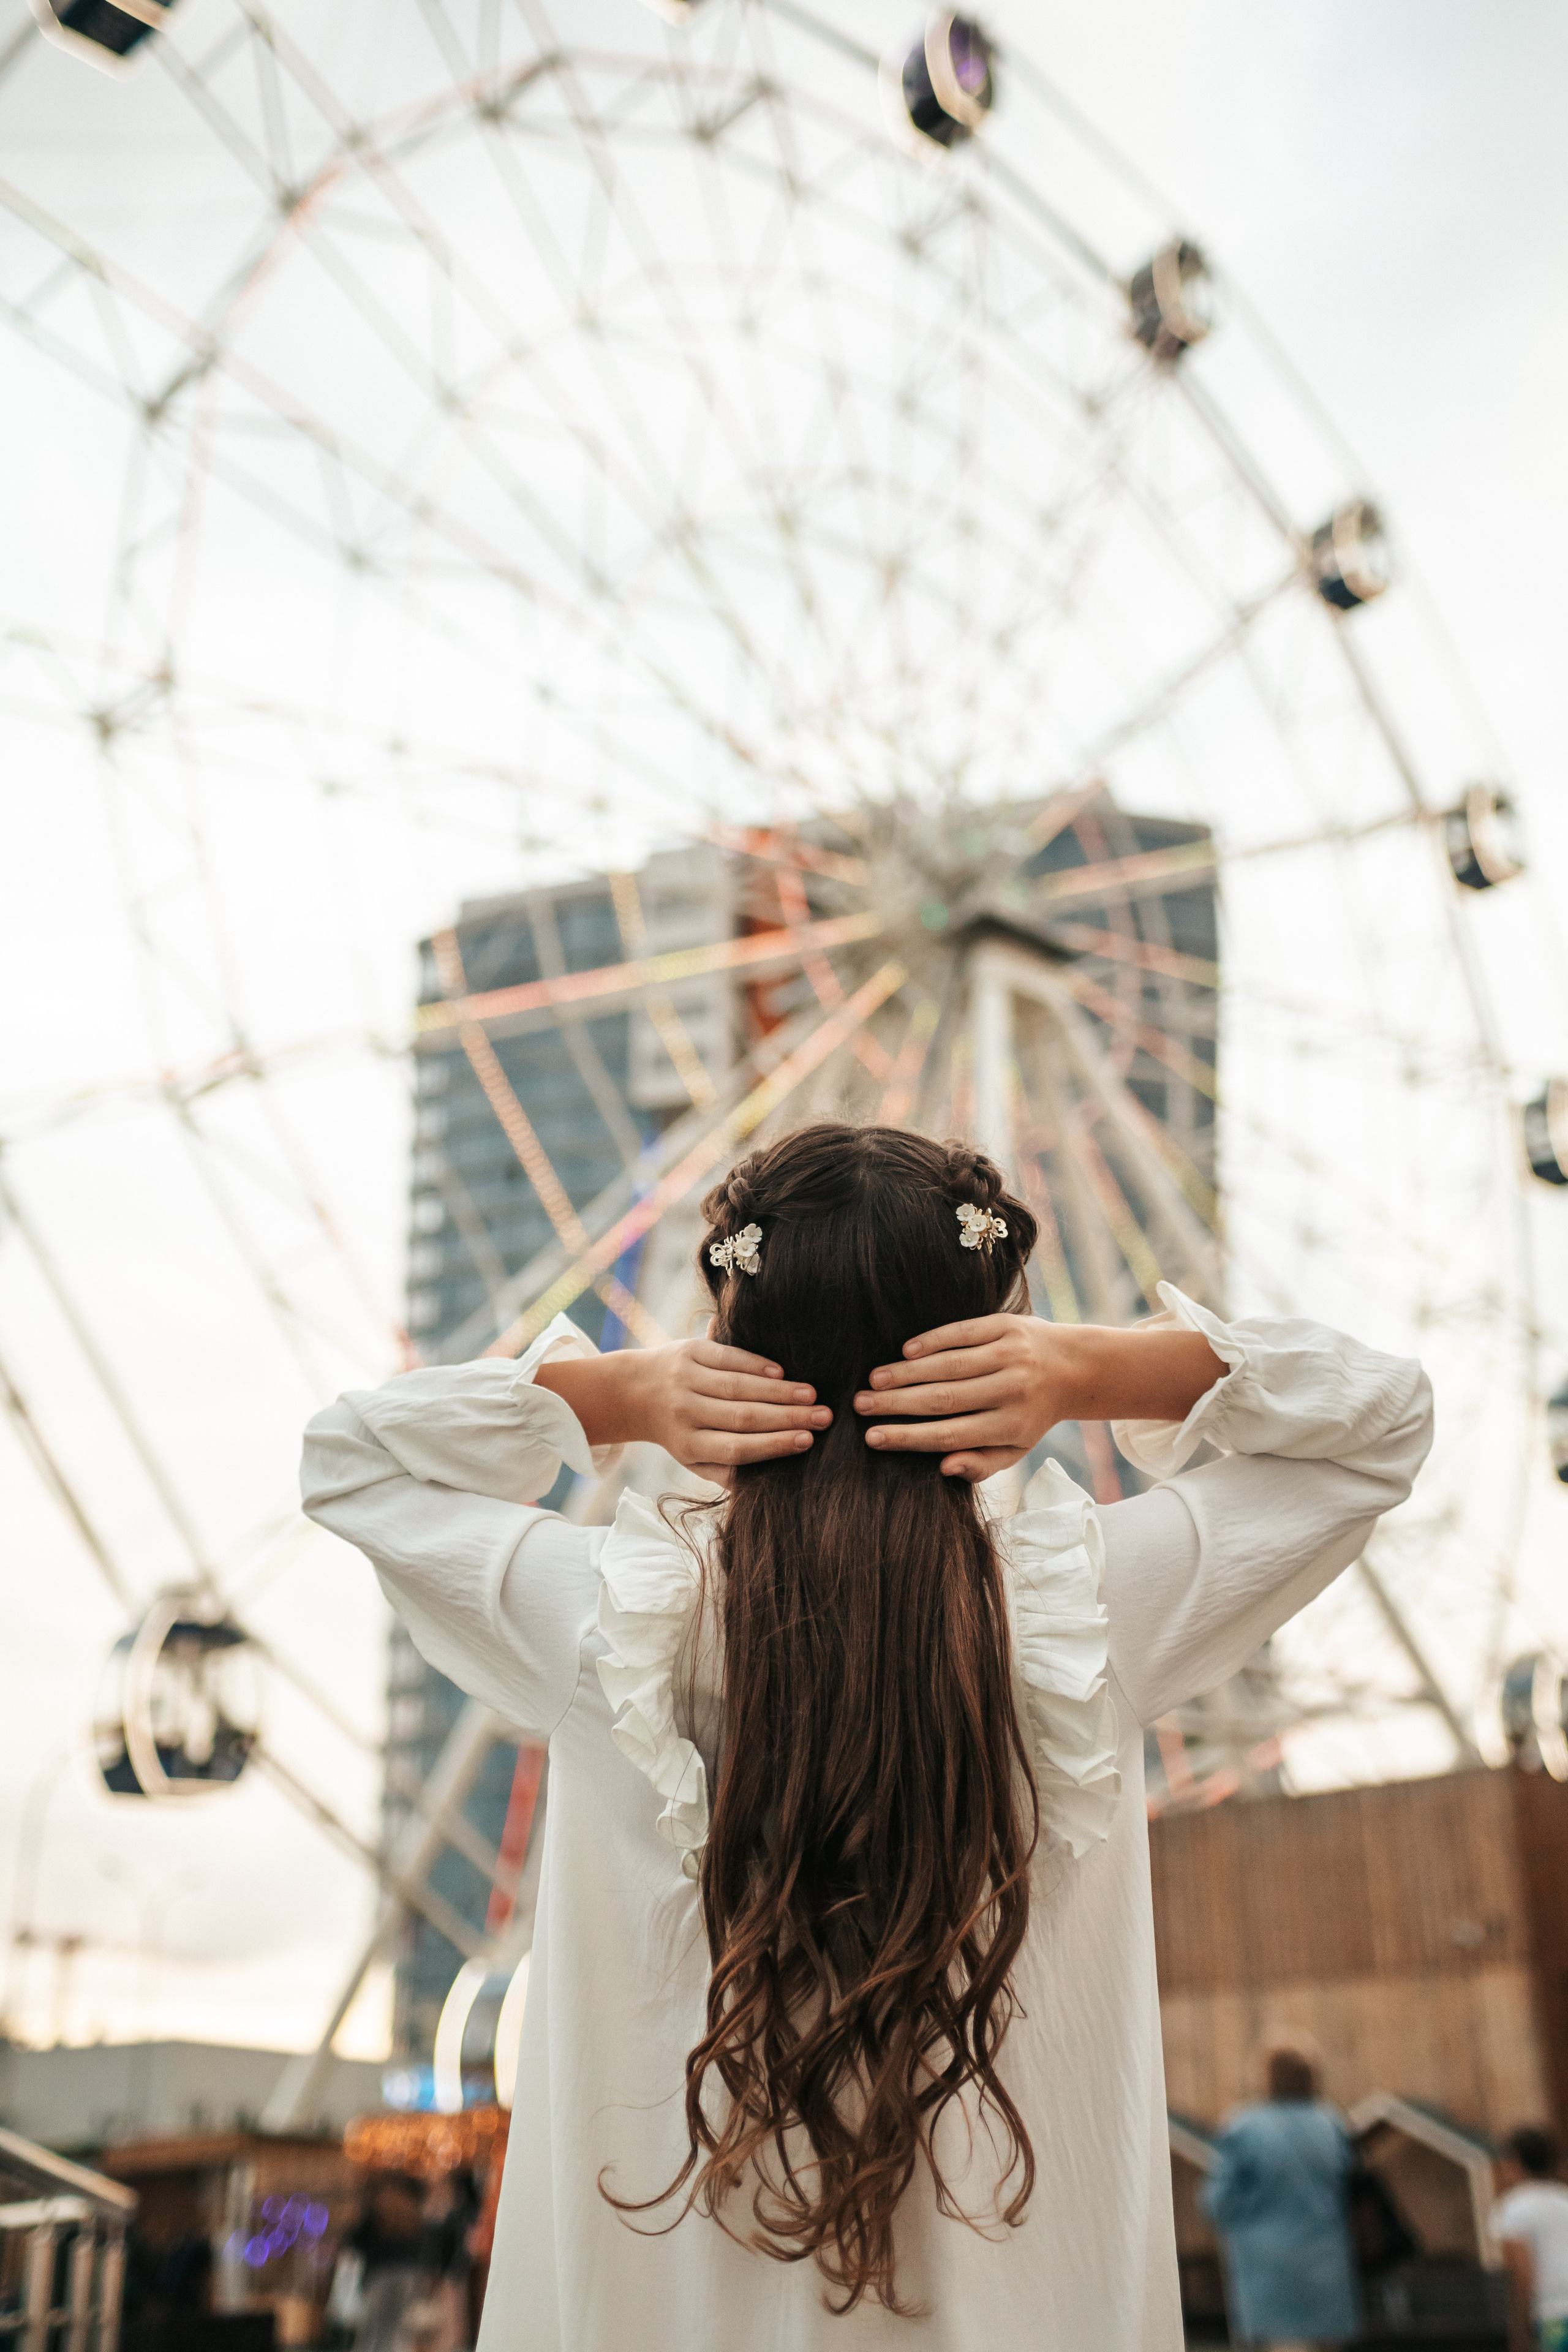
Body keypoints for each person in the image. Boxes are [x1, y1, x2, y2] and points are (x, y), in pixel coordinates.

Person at [301, 1123, 1431, 2350]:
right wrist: (1088, 1372)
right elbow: (1378, 1421)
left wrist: (618, 1395)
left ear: (726, 1342)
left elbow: (350, 1460)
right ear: (993, 1338)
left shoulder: (601, 1626)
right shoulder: (1088, 1612)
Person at [1202, 2040, 1360, 2350]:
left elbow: (1218, 2203)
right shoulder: (1330, 2123)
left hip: (1271, 2276)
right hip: (1329, 2272)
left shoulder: (1246, 2127)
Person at [1492, 2125, 1568, 2352]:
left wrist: (1520, 2329)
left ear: (1515, 2161)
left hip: (1552, 2316)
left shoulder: (1515, 2206)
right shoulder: (1564, 2198)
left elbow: (1522, 2272)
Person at [337, 2173, 429, 2352]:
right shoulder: (412, 2212)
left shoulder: (378, 2211)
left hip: (380, 2276)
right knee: (398, 2329)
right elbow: (423, 2246)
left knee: (372, 2328)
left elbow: (355, 2242)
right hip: (408, 2276)